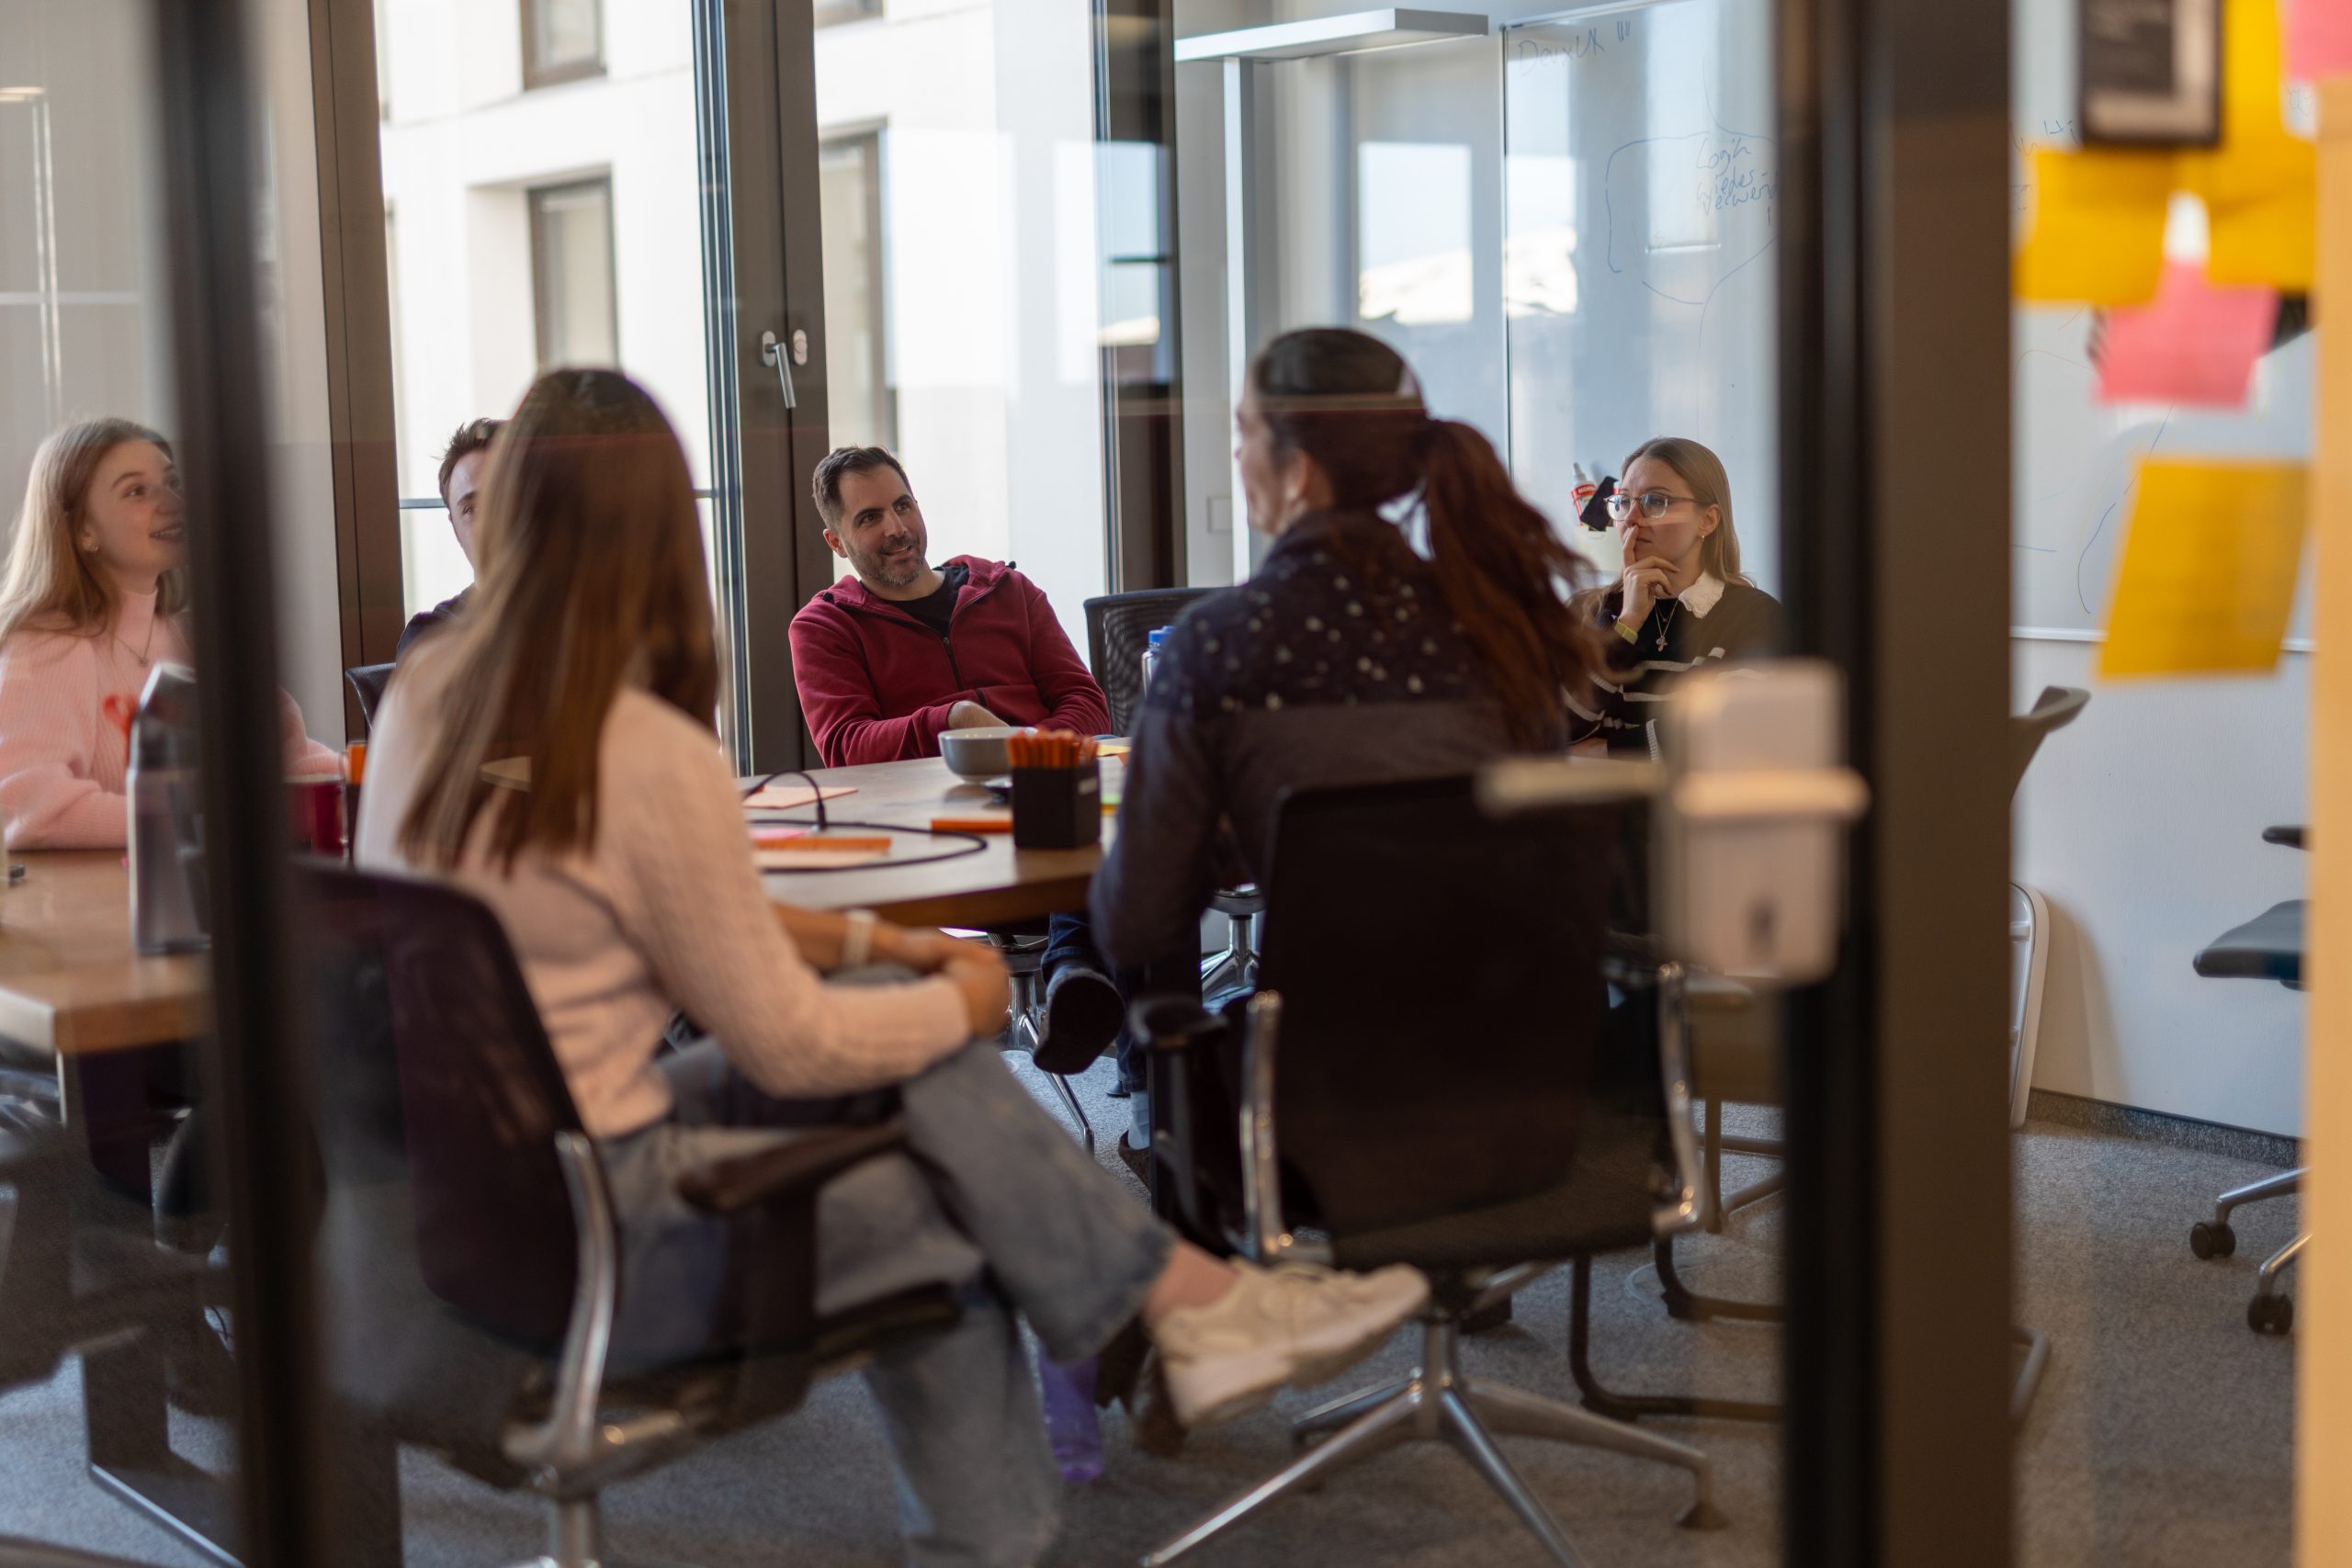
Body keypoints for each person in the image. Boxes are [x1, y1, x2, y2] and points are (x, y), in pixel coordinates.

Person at [356, 369, 1429, 1568]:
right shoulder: (642, 743)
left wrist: (881, 950)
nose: (896, 526)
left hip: (465, 1185)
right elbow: (785, 1046)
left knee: (892, 1024)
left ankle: (1174, 1302)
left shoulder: (431, 695)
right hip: (605, 1216)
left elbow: (654, 921)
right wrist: (963, 999)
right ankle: (1158, 1330)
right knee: (946, 1204)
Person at [1090, 328, 1610, 1173]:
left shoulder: (1219, 645)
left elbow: (1138, 920)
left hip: (1319, 1124)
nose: (1236, 454)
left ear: (1299, 470)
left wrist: (1223, 834)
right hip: (1535, 1089)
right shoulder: (1499, 627)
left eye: (1243, 430)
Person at [789, 446, 1125, 1072]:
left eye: (903, 505)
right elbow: (847, 746)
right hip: (940, 845)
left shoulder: (1009, 592)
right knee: (1111, 871)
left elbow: (1086, 704)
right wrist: (952, 722)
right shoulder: (824, 627)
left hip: (1052, 819)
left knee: (1139, 846)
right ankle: (1075, 969)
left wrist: (1030, 757)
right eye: (869, 518)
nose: (896, 528)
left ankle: (1144, 1093)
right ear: (837, 540)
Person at [0, 419, 342, 850]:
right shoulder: (45, 644)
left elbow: (294, 763)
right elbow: (33, 811)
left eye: (172, 483)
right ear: (84, 530)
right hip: (114, 892)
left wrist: (371, 779)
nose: (174, 503)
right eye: (136, 491)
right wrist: (206, 821)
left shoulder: (201, 638)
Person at [1570, 435, 1782, 756]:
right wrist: (1626, 625)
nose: (1631, 519)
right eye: (1624, 501)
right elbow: (1557, 731)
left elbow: (1725, 731)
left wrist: (1606, 752)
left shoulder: (1753, 615)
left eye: (1655, 501)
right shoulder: (1588, 609)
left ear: (1707, 520)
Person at [395, 416, 501, 658]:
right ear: (455, 528)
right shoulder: (432, 637)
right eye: (472, 509)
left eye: (505, 498)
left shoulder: (581, 618)